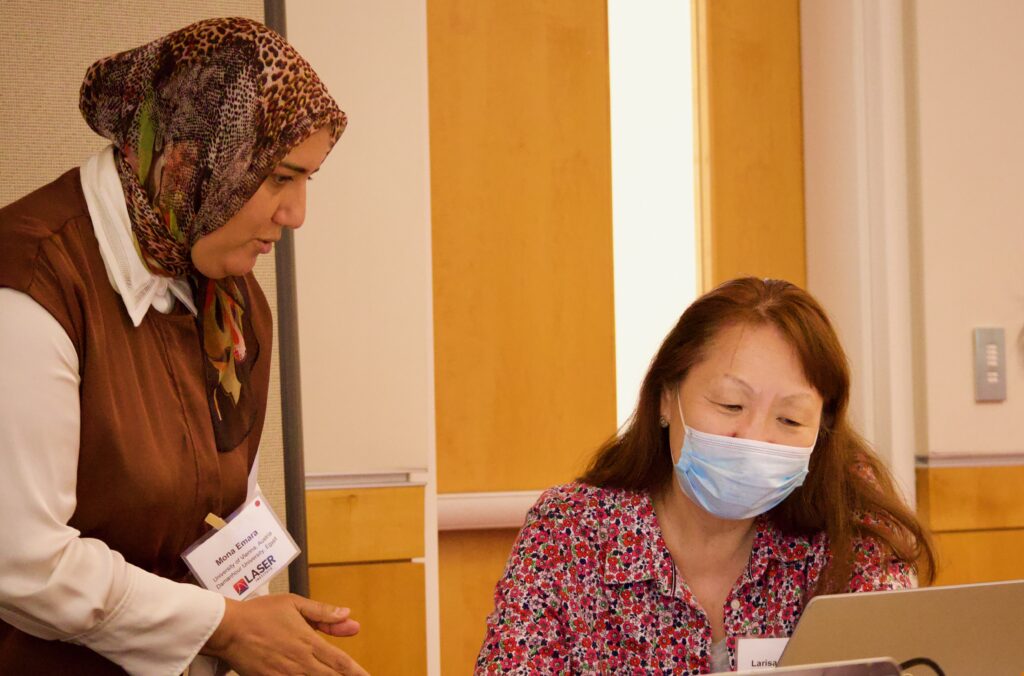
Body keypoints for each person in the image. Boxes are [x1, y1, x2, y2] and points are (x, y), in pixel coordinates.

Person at [0, 17, 367, 675]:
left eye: (308, 179)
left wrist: (269, 630)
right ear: (191, 159)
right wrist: (225, 629)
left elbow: (228, 517)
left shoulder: (234, 302)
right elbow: (23, 562)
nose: (297, 213)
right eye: (281, 177)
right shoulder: (28, 284)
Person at [476, 277, 936, 674]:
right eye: (730, 406)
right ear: (664, 398)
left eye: (791, 420)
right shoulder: (570, 532)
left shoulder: (851, 533)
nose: (754, 439)